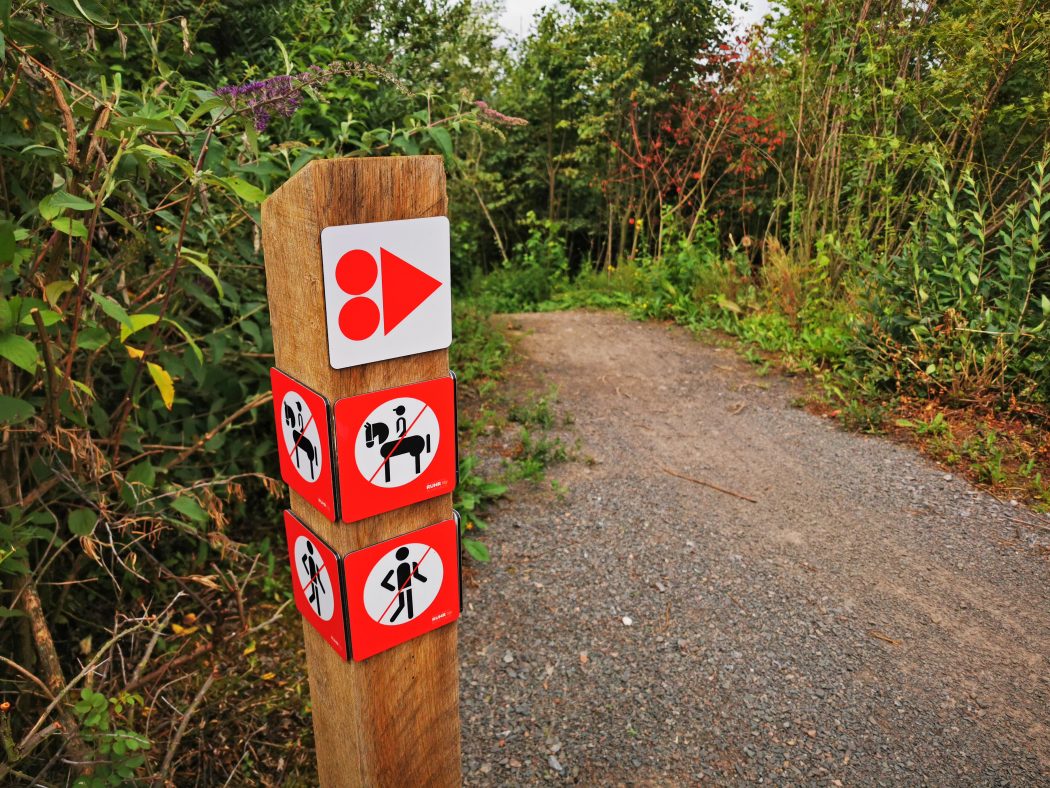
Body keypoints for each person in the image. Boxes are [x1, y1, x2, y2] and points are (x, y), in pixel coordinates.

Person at [381, 546, 427, 622]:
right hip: (402, 588)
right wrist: (392, 588)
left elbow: (416, 575)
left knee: (408, 603)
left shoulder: (409, 564)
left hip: (406, 587)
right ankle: (393, 619)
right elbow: (385, 582)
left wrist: (424, 579)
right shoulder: (400, 567)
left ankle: (409, 617)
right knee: (403, 604)